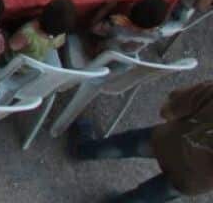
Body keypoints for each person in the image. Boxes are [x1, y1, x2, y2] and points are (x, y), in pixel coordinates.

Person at [69, 80, 213, 202]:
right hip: (195, 181)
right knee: (145, 197)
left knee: (123, 145)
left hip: (167, 142)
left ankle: (83, 149)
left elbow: (168, 111)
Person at [87, 0, 170, 56]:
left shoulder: (115, 24)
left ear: (131, 8)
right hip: (125, 56)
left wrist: (107, 7)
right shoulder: (156, 35)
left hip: (100, 52)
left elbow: (92, 28)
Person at [8, 0, 77, 62]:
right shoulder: (60, 35)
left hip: (18, 65)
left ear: (45, 10)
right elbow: (59, 44)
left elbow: (11, 46)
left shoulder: (27, 34)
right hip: (36, 63)